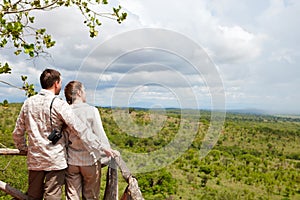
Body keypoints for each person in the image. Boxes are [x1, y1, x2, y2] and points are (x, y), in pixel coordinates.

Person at [12, 69, 115, 200]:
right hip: (55, 160)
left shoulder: (28, 103)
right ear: (56, 83)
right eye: (60, 82)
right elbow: (79, 128)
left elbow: (17, 132)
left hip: (35, 160)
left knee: (33, 196)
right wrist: (100, 146)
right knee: (53, 196)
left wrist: (24, 148)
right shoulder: (59, 104)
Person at [64, 80, 112, 200]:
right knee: (91, 196)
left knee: (72, 196)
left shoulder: (65, 111)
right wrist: (107, 155)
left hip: (71, 160)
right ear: (79, 92)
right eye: (84, 90)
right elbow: (99, 135)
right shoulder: (92, 110)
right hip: (90, 160)